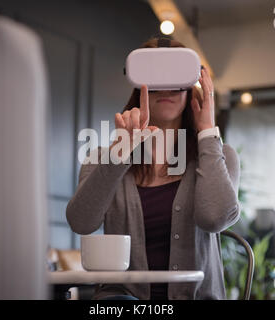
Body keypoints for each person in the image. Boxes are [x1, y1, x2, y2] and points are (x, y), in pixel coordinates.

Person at [66, 37, 241, 300]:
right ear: (139, 87)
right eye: (155, 81)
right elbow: (81, 222)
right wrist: (119, 153)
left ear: (191, 86)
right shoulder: (101, 158)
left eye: (175, 81)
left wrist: (207, 133)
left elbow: (214, 218)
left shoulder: (219, 156)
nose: (166, 89)